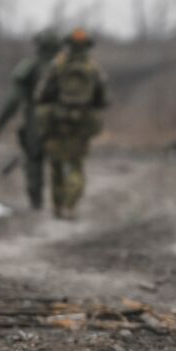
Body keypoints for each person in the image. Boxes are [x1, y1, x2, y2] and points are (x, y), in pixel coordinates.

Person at [34, 28, 109, 219]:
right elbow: (103, 99)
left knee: (56, 166)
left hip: (56, 122)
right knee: (76, 165)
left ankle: (58, 206)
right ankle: (71, 205)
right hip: (81, 125)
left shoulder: (57, 65)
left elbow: (42, 94)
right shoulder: (93, 68)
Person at [0, 29, 61, 209]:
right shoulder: (66, 67)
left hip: (36, 123)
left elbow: (13, 99)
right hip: (63, 123)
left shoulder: (31, 66)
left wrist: (0, 122)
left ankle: (36, 202)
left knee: (34, 160)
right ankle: (62, 202)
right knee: (61, 161)